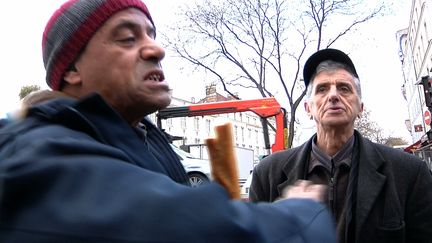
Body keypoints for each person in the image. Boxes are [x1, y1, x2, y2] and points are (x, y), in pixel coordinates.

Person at [0, 1, 336, 242]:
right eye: (127, 38)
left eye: (150, 35)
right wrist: (301, 212)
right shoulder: (36, 156)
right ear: (71, 70)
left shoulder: (145, 138)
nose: (155, 49)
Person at [249, 48, 432, 243]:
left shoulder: (409, 173)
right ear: (308, 108)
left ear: (360, 107)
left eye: (344, 88)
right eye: (322, 89)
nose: (333, 95)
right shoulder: (267, 174)